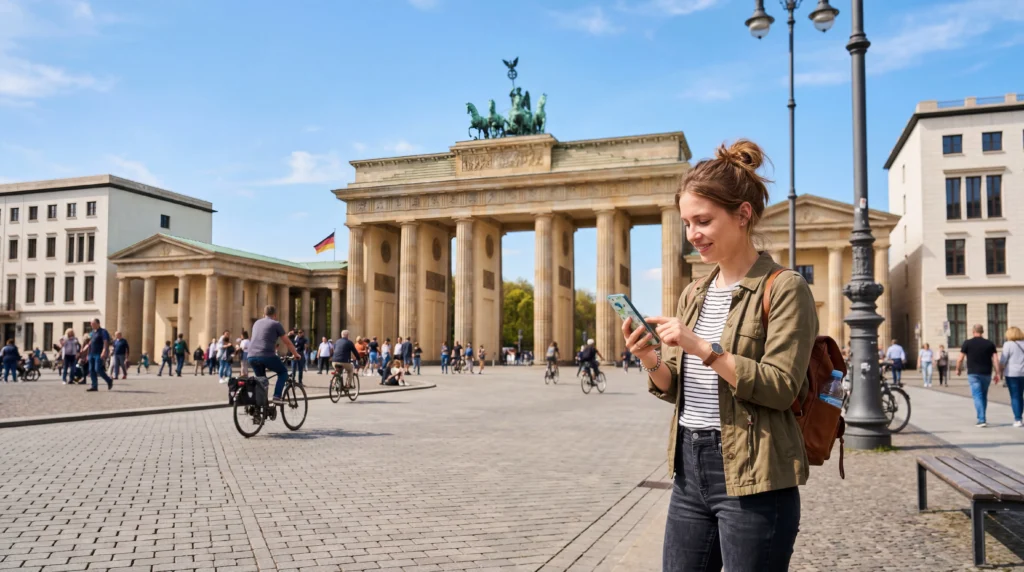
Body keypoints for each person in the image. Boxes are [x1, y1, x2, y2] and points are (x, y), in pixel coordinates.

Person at [625, 140, 813, 571]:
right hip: (689, 468)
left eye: (704, 221)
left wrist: (702, 348)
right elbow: (675, 385)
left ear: (742, 215)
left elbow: (782, 388)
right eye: (687, 223)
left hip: (755, 477)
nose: (693, 234)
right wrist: (651, 357)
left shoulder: (784, 288)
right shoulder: (695, 291)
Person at [247, 305, 302, 404]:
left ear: (264, 314)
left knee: (261, 380)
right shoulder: (276, 324)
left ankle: (259, 408)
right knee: (283, 372)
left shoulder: (256, 323)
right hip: (266, 355)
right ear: (275, 315)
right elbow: (287, 342)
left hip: (251, 355)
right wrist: (296, 354)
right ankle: (277, 396)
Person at [957, 324, 1002, 428]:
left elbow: (960, 358)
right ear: (982, 332)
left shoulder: (967, 343)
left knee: (977, 395)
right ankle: (982, 417)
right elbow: (995, 359)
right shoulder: (990, 344)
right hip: (986, 373)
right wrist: (998, 373)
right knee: (983, 395)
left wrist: (958, 369)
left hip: (973, 373)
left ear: (973, 331)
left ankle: (981, 419)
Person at [999, 327, 1024, 427]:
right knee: (1020, 396)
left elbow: (1003, 360)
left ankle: (1018, 419)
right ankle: (1019, 416)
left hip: (1012, 374)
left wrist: (999, 372)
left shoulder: (1008, 344)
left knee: (1015, 396)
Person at [85, 318, 114, 392]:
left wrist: (104, 351)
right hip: (91, 353)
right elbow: (90, 342)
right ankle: (94, 386)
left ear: (98, 324)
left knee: (97, 369)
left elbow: (105, 342)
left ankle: (109, 380)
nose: (92, 325)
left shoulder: (103, 331)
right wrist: (85, 350)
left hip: (99, 353)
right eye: (91, 324)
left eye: (93, 324)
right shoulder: (92, 332)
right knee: (91, 370)